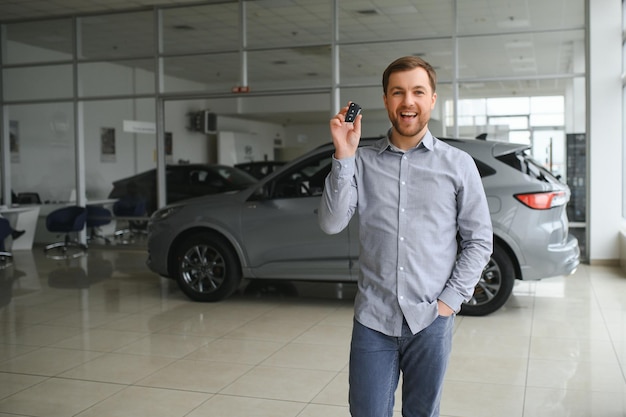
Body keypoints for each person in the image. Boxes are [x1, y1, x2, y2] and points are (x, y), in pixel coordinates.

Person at [318, 56, 493, 417]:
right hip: (373, 321)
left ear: (432, 99)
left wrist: (449, 302)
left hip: (430, 320)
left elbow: (478, 240)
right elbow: (332, 222)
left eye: (417, 91)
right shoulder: (360, 161)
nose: (407, 101)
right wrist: (343, 153)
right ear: (386, 100)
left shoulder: (458, 164)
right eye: (398, 92)